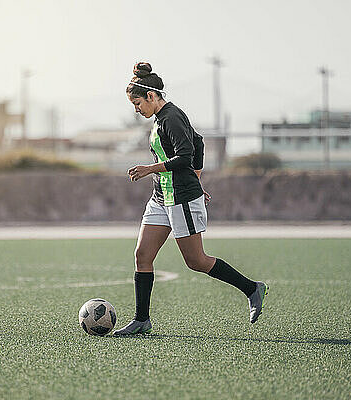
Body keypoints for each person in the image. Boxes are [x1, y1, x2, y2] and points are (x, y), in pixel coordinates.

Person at [113, 62, 268, 336]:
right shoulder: (160, 119)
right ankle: (141, 319)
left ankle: (252, 288)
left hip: (182, 199)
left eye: (138, 103)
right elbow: (198, 141)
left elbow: (186, 154)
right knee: (142, 256)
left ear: (151, 96)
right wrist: (195, 176)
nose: (137, 109)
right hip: (161, 198)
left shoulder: (171, 117)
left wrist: (153, 169)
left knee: (196, 261)